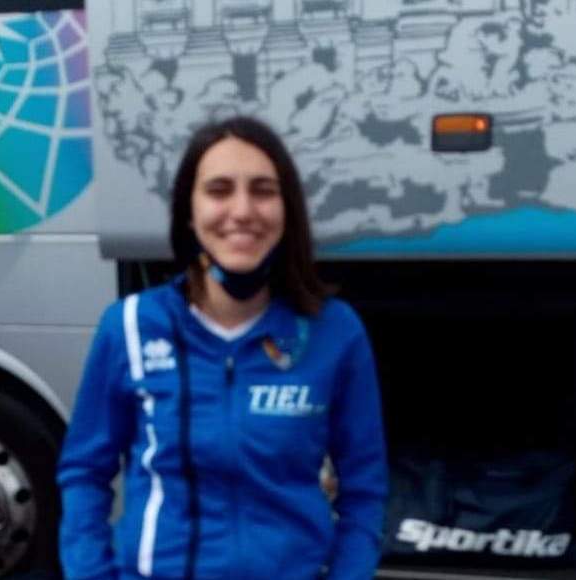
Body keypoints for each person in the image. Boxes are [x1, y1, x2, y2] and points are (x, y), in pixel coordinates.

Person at [57, 116, 388, 580]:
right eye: (219, 190)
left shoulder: (335, 332)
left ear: (287, 211)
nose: (242, 210)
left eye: (263, 191)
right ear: (189, 213)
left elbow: (365, 490)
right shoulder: (129, 326)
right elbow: (84, 472)